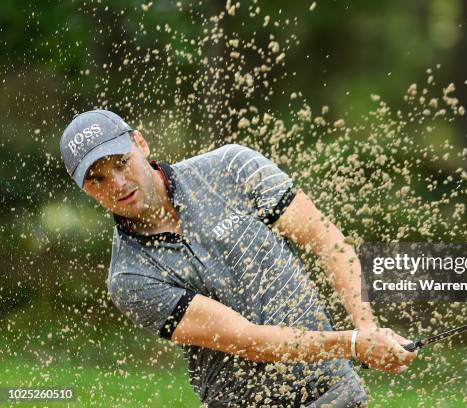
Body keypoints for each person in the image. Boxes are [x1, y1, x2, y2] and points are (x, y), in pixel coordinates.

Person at [59, 109, 418, 407]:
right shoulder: (130, 277)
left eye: (122, 163)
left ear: (140, 143)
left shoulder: (231, 167)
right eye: (98, 179)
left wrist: (368, 328)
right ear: (85, 189)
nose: (118, 184)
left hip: (333, 391)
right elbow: (248, 340)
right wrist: (355, 344)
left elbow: (327, 242)